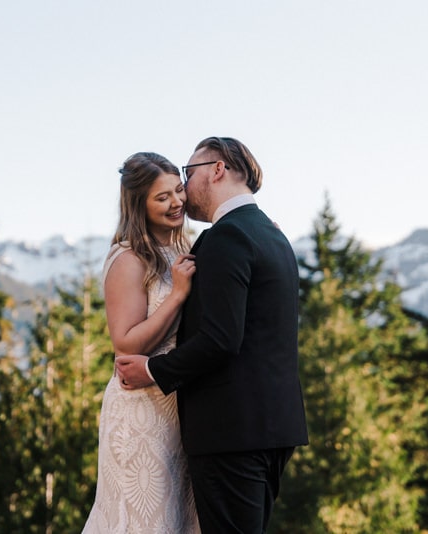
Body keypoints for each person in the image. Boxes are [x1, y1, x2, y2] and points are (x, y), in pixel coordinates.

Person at [116, 136, 309, 533]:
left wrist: (153, 370)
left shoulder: (228, 237)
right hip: (272, 427)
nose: (184, 192)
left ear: (217, 169)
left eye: (188, 174)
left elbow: (221, 339)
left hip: (231, 432)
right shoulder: (273, 236)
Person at [82, 152, 201, 533]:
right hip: (140, 412)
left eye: (178, 190)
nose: (177, 202)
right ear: (139, 205)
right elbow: (126, 344)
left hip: (179, 408)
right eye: (161, 197)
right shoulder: (130, 258)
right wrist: (177, 296)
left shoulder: (184, 249)